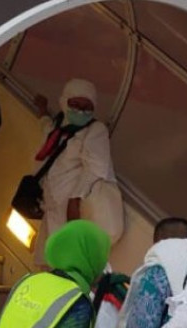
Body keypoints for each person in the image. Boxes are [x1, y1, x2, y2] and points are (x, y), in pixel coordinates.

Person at [34, 78, 124, 262]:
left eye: (86, 107)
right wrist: (42, 109)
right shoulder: (58, 127)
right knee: (49, 258)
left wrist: (74, 200)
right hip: (53, 205)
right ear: (64, 102)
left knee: (70, 258)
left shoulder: (96, 130)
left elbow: (96, 168)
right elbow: (45, 126)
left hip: (73, 210)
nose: (81, 111)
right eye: (75, 104)